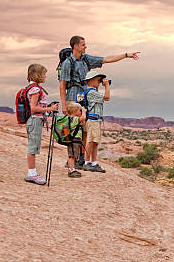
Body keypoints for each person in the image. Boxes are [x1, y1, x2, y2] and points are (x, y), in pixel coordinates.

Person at [59, 35, 140, 167]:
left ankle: (80, 159)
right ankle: (71, 160)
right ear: (75, 46)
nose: (85, 46)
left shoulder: (86, 59)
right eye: (83, 44)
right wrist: (64, 105)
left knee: (85, 130)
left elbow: (106, 59)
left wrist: (126, 55)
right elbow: (62, 85)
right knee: (74, 131)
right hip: (72, 99)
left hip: (85, 100)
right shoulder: (68, 63)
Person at [25, 64, 58, 185]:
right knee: (32, 148)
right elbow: (33, 108)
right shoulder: (36, 90)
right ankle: (32, 174)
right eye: (44, 74)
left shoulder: (33, 88)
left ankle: (32, 172)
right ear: (38, 75)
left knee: (33, 146)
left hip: (35, 120)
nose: (45, 76)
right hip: (34, 120)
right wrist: (50, 109)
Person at [82, 71, 110, 172]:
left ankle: (93, 162)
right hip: (92, 120)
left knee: (95, 142)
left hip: (95, 120)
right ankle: (87, 162)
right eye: (98, 80)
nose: (99, 82)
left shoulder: (93, 91)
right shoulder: (91, 92)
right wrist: (106, 85)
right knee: (91, 141)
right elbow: (107, 97)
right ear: (91, 80)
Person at [64, 101, 86, 178]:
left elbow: (82, 123)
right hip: (74, 141)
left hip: (74, 140)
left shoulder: (72, 119)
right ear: (74, 111)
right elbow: (83, 118)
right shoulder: (74, 119)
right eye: (79, 110)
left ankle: (72, 169)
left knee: (73, 155)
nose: (80, 112)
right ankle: (71, 170)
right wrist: (83, 111)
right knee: (72, 156)